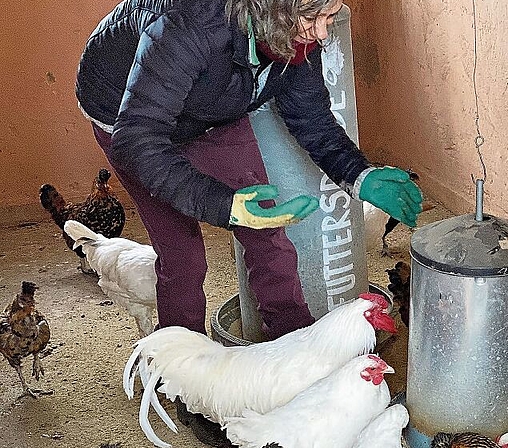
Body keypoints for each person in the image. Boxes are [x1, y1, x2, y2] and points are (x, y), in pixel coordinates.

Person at [76, 0, 422, 443]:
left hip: (214, 104)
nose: (320, 33)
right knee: (183, 257)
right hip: (130, 119)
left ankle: (299, 359)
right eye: (312, 19)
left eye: (329, 16)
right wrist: (225, 205)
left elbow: (311, 116)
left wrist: (360, 174)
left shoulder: (292, 33)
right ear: (274, 10)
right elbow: (138, 138)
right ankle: (183, 385)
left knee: (270, 234)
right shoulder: (189, 26)